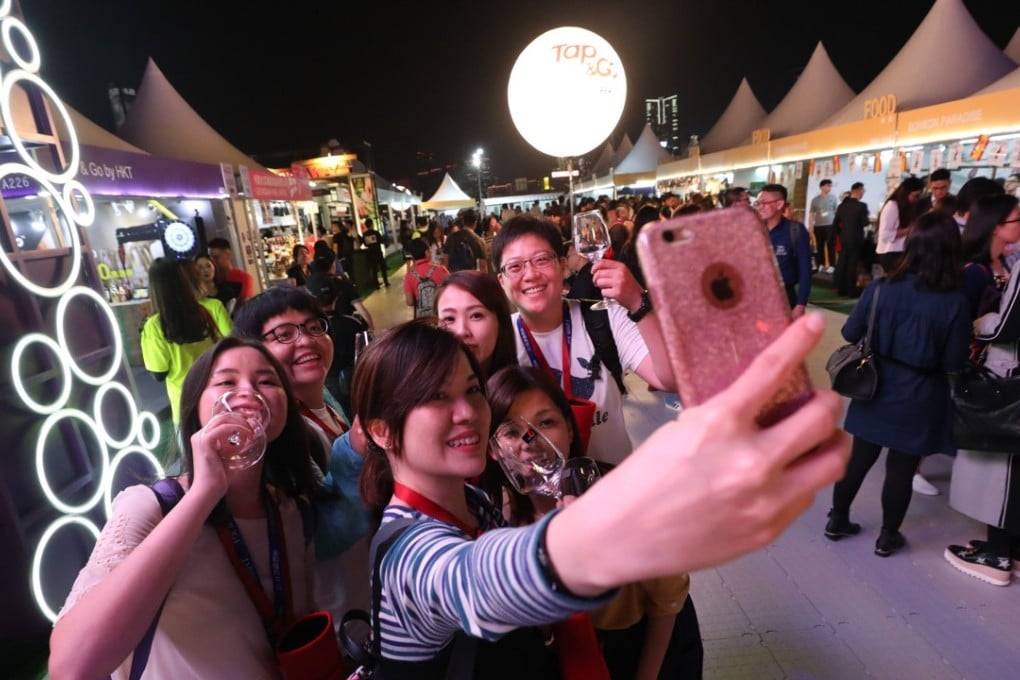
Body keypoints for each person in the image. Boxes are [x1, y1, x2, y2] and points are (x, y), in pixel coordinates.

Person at [354, 316, 848, 675]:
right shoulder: (407, 556)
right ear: (381, 431)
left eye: (472, 390)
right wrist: (618, 525)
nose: (467, 412)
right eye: (435, 397)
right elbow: (471, 582)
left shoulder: (474, 502)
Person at [49, 336, 324, 679]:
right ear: (195, 408)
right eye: (226, 382)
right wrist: (204, 493)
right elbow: (72, 667)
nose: (246, 392)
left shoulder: (292, 511)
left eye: (267, 381)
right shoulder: (150, 506)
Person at [482, 365, 703, 679]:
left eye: (546, 422)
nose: (530, 441)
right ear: (493, 450)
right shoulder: (499, 516)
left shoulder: (623, 498)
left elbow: (668, 598)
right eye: (511, 432)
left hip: (641, 644)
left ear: (570, 431)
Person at [825, 211, 971, 557]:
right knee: (901, 469)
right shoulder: (955, 301)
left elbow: (849, 332)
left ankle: (837, 519)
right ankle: (887, 537)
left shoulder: (881, 288)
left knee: (859, 458)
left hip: (874, 384)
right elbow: (953, 361)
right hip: (921, 391)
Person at [233, 286, 374, 624]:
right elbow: (317, 537)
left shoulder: (327, 400)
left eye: (314, 327)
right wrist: (355, 451)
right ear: (254, 354)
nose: (307, 341)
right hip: (337, 613)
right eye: (284, 334)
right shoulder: (273, 435)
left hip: (368, 587)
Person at [491, 215, 677, 465]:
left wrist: (637, 302)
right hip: (539, 486)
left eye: (542, 259)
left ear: (563, 266)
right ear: (501, 281)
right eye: (515, 267)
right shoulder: (498, 339)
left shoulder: (605, 318)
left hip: (612, 480)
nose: (530, 274)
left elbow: (669, 379)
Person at [946, 194, 1020, 585]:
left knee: (1002, 469)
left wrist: (983, 323)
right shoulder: (981, 268)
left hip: (1009, 379)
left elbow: (1006, 325)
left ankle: (997, 556)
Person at [141, 257, 232, 425]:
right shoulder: (203, 312)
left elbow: (158, 373)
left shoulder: (155, 326)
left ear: (154, 289)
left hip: (185, 404)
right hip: (216, 396)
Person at [436, 270, 517, 378]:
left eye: (476, 316)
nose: (461, 331)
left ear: (500, 321)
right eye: (449, 319)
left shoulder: (526, 387)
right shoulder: (421, 386)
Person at [755, 184, 812, 318]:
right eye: (757, 203)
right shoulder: (753, 230)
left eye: (764, 203)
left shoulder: (795, 231)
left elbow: (805, 270)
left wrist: (801, 304)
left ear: (779, 204)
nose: (759, 207)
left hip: (784, 296)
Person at [874, 176, 925, 274]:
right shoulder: (892, 206)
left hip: (901, 251)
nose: (917, 199)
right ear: (906, 193)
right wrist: (910, 229)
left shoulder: (906, 207)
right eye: (915, 196)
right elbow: (885, 235)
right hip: (891, 253)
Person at [832, 182, 870, 297]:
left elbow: (835, 224)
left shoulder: (842, 206)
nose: (863, 193)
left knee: (842, 263)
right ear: (858, 191)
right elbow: (865, 223)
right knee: (852, 265)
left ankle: (840, 288)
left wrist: (841, 234)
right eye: (863, 191)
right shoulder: (861, 206)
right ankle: (851, 290)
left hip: (844, 238)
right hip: (856, 239)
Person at [404, 237, 450, 318]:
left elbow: (410, 302)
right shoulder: (440, 269)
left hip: (423, 319)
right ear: (427, 252)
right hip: (441, 315)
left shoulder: (409, 276)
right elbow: (451, 289)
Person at [207, 237, 255, 312]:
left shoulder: (243, 278)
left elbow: (243, 306)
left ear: (228, 255)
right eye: (210, 259)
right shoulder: (210, 278)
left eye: (216, 257)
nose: (212, 262)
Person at [444, 208, 488, 273]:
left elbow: (445, 262)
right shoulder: (480, 241)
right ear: (475, 222)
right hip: (470, 276)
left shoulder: (451, 237)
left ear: (463, 221)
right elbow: (483, 267)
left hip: (454, 275)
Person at [809, 179, 838, 273]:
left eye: (830, 186)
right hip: (818, 225)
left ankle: (832, 265)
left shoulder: (833, 198)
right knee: (820, 246)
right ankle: (820, 264)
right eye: (827, 186)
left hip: (830, 225)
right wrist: (810, 227)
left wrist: (837, 225)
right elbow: (812, 214)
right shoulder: (815, 200)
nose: (829, 187)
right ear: (822, 187)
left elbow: (836, 212)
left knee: (830, 245)